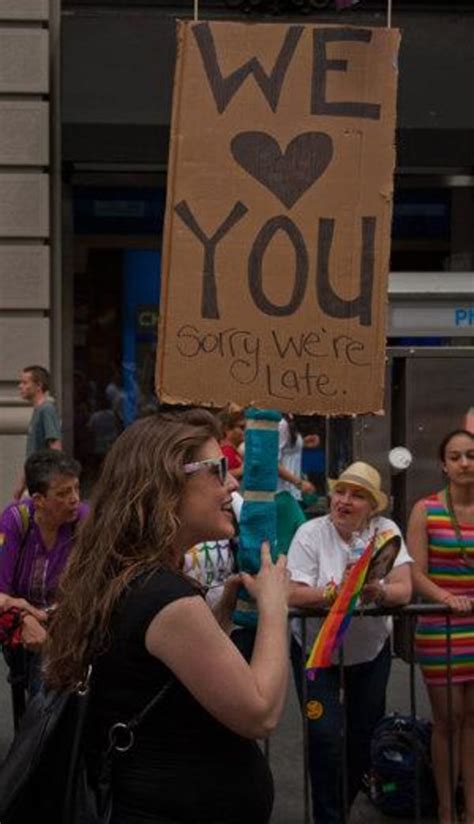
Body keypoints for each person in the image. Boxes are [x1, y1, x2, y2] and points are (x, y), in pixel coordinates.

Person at [44, 409, 289, 824]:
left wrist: (223, 612)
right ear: (166, 484)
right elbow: (260, 712)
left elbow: (160, 676)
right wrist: (274, 608)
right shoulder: (163, 596)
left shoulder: (131, 578)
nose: (232, 484)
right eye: (218, 470)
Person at [287, 461, 412, 824]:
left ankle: (338, 807)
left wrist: (379, 591)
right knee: (324, 737)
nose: (344, 501)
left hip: (370, 652)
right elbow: (290, 594)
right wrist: (336, 593)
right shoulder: (310, 533)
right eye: (340, 491)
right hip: (316, 653)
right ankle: (329, 816)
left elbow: (404, 589)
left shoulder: (386, 531)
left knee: (364, 736)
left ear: (372, 506)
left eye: (357, 496)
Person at [408, 429, 474, 824]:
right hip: (441, 624)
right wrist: (447, 599)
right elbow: (415, 571)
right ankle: (446, 809)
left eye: (471, 455)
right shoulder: (426, 509)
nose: (465, 463)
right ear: (444, 465)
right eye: (456, 456)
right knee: (448, 720)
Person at [0, 450, 87, 696]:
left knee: (50, 684)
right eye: (63, 493)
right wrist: (24, 617)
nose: (74, 499)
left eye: (77, 489)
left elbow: (96, 579)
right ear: (38, 500)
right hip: (18, 618)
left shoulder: (82, 520)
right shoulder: (16, 521)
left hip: (65, 620)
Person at [14, 365, 62, 500]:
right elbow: (32, 454)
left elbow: (55, 447)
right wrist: (22, 483)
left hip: (42, 483)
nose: (20, 386)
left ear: (38, 385)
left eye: (25, 382)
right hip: (35, 481)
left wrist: (54, 482)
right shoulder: (39, 410)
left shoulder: (46, 410)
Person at [277, 414, 317, 504]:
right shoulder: (282, 424)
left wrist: (303, 443)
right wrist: (299, 483)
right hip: (282, 490)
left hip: (291, 490)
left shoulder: (289, 420)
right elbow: (273, 462)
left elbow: (287, 450)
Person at [219, 404, 246, 482]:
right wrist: (241, 471)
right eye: (242, 427)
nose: (246, 431)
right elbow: (218, 476)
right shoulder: (225, 451)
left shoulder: (234, 451)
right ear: (227, 428)